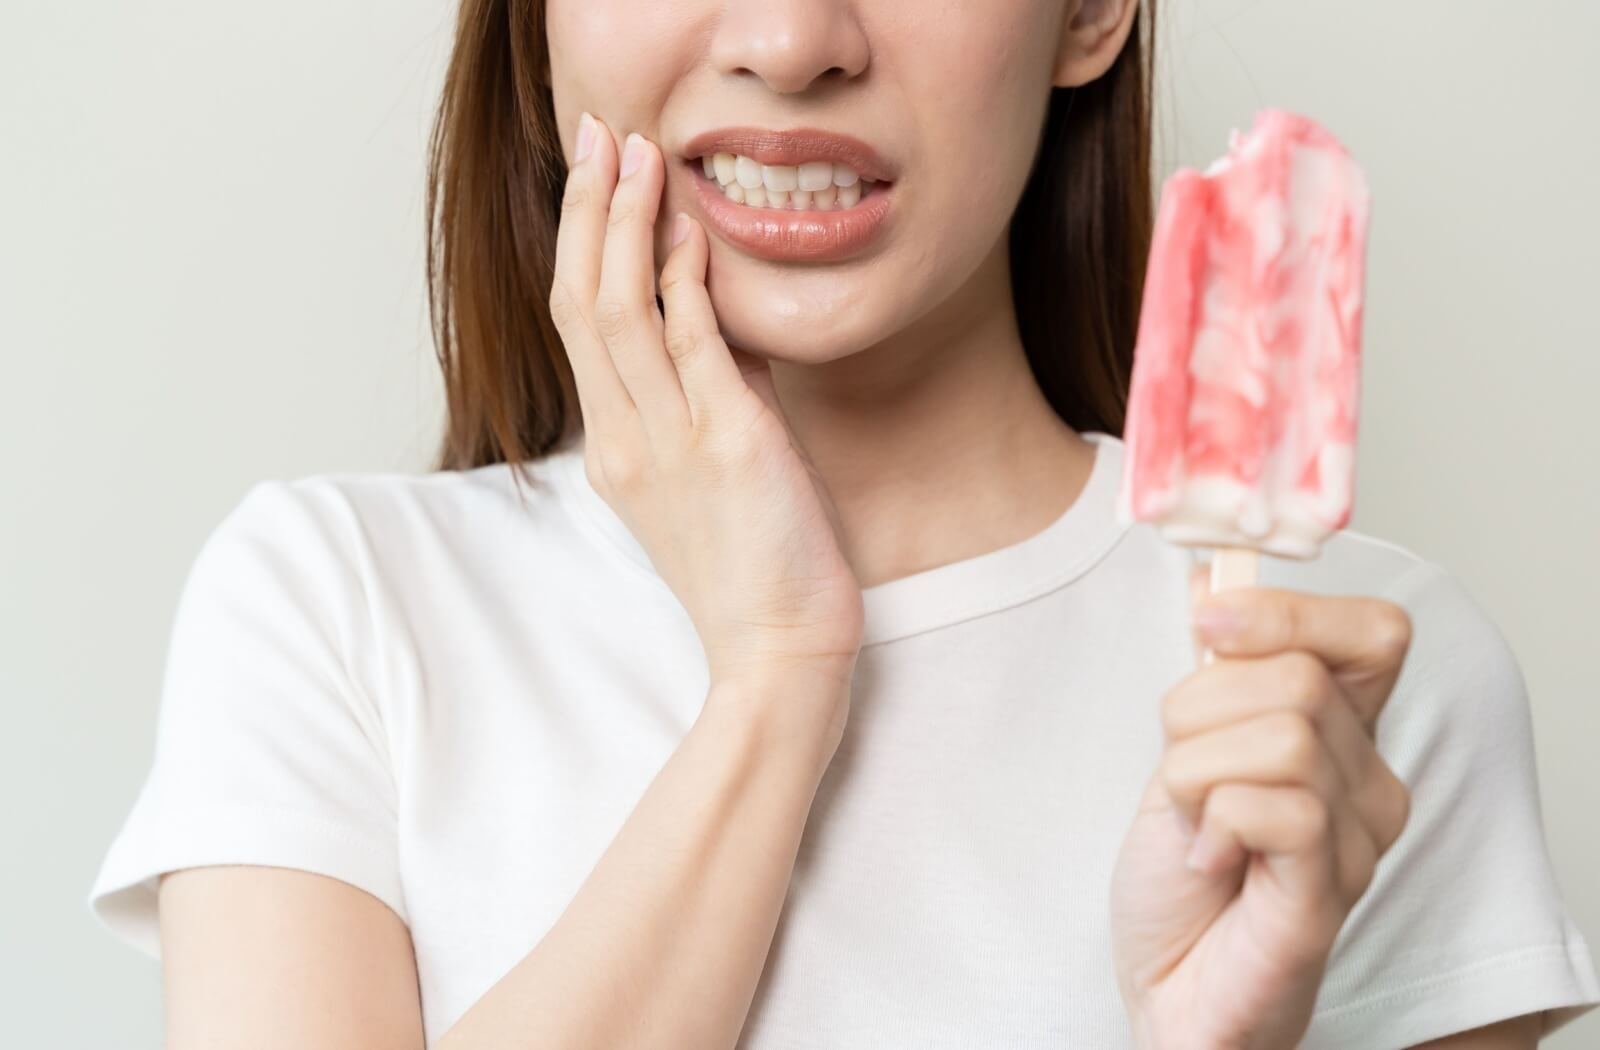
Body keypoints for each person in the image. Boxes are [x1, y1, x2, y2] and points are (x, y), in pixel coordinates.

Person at [88, 0, 1599, 1046]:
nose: (794, 42)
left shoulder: (1348, 687)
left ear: (1087, 12)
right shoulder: (333, 608)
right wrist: (775, 676)